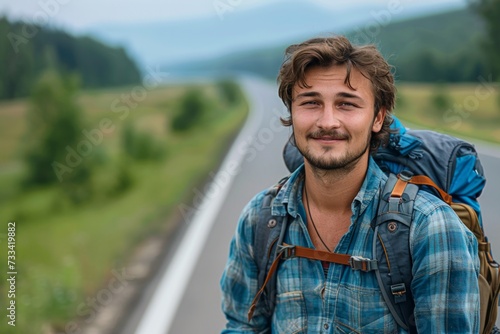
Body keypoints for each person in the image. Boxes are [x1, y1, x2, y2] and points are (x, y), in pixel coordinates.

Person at [220, 36, 480, 333]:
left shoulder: (430, 227)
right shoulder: (260, 218)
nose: (328, 121)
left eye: (346, 104)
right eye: (311, 103)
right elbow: (242, 326)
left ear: (378, 118)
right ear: (291, 114)